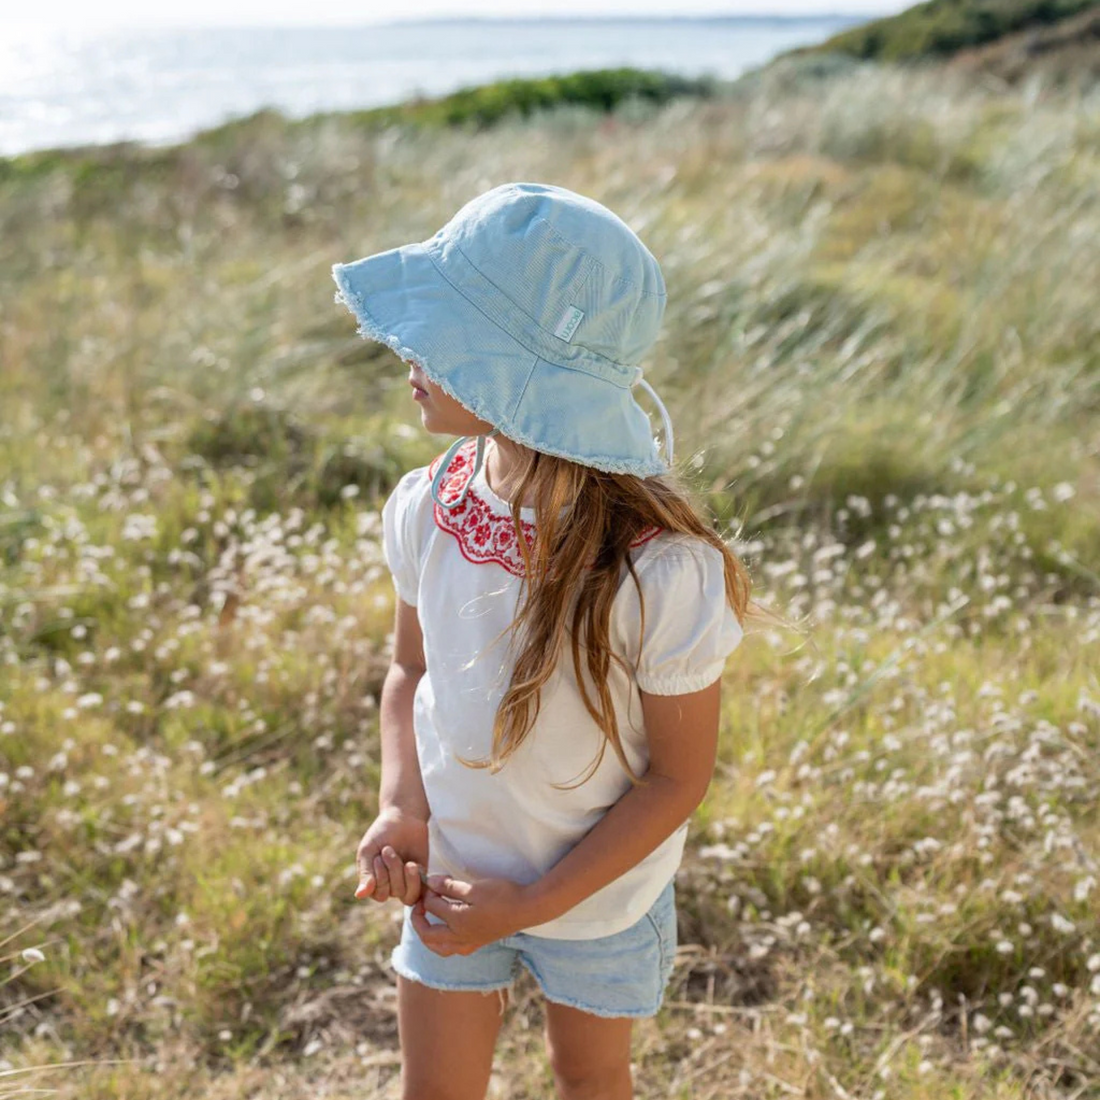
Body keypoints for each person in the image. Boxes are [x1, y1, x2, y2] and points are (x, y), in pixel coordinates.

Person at [332, 182, 766, 1100]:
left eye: (446, 336)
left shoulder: (657, 570)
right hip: (452, 875)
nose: (408, 352)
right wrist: (401, 808)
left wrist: (532, 904)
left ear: (514, 374)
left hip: (598, 902)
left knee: (590, 1078)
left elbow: (676, 779)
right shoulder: (428, 506)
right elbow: (410, 670)